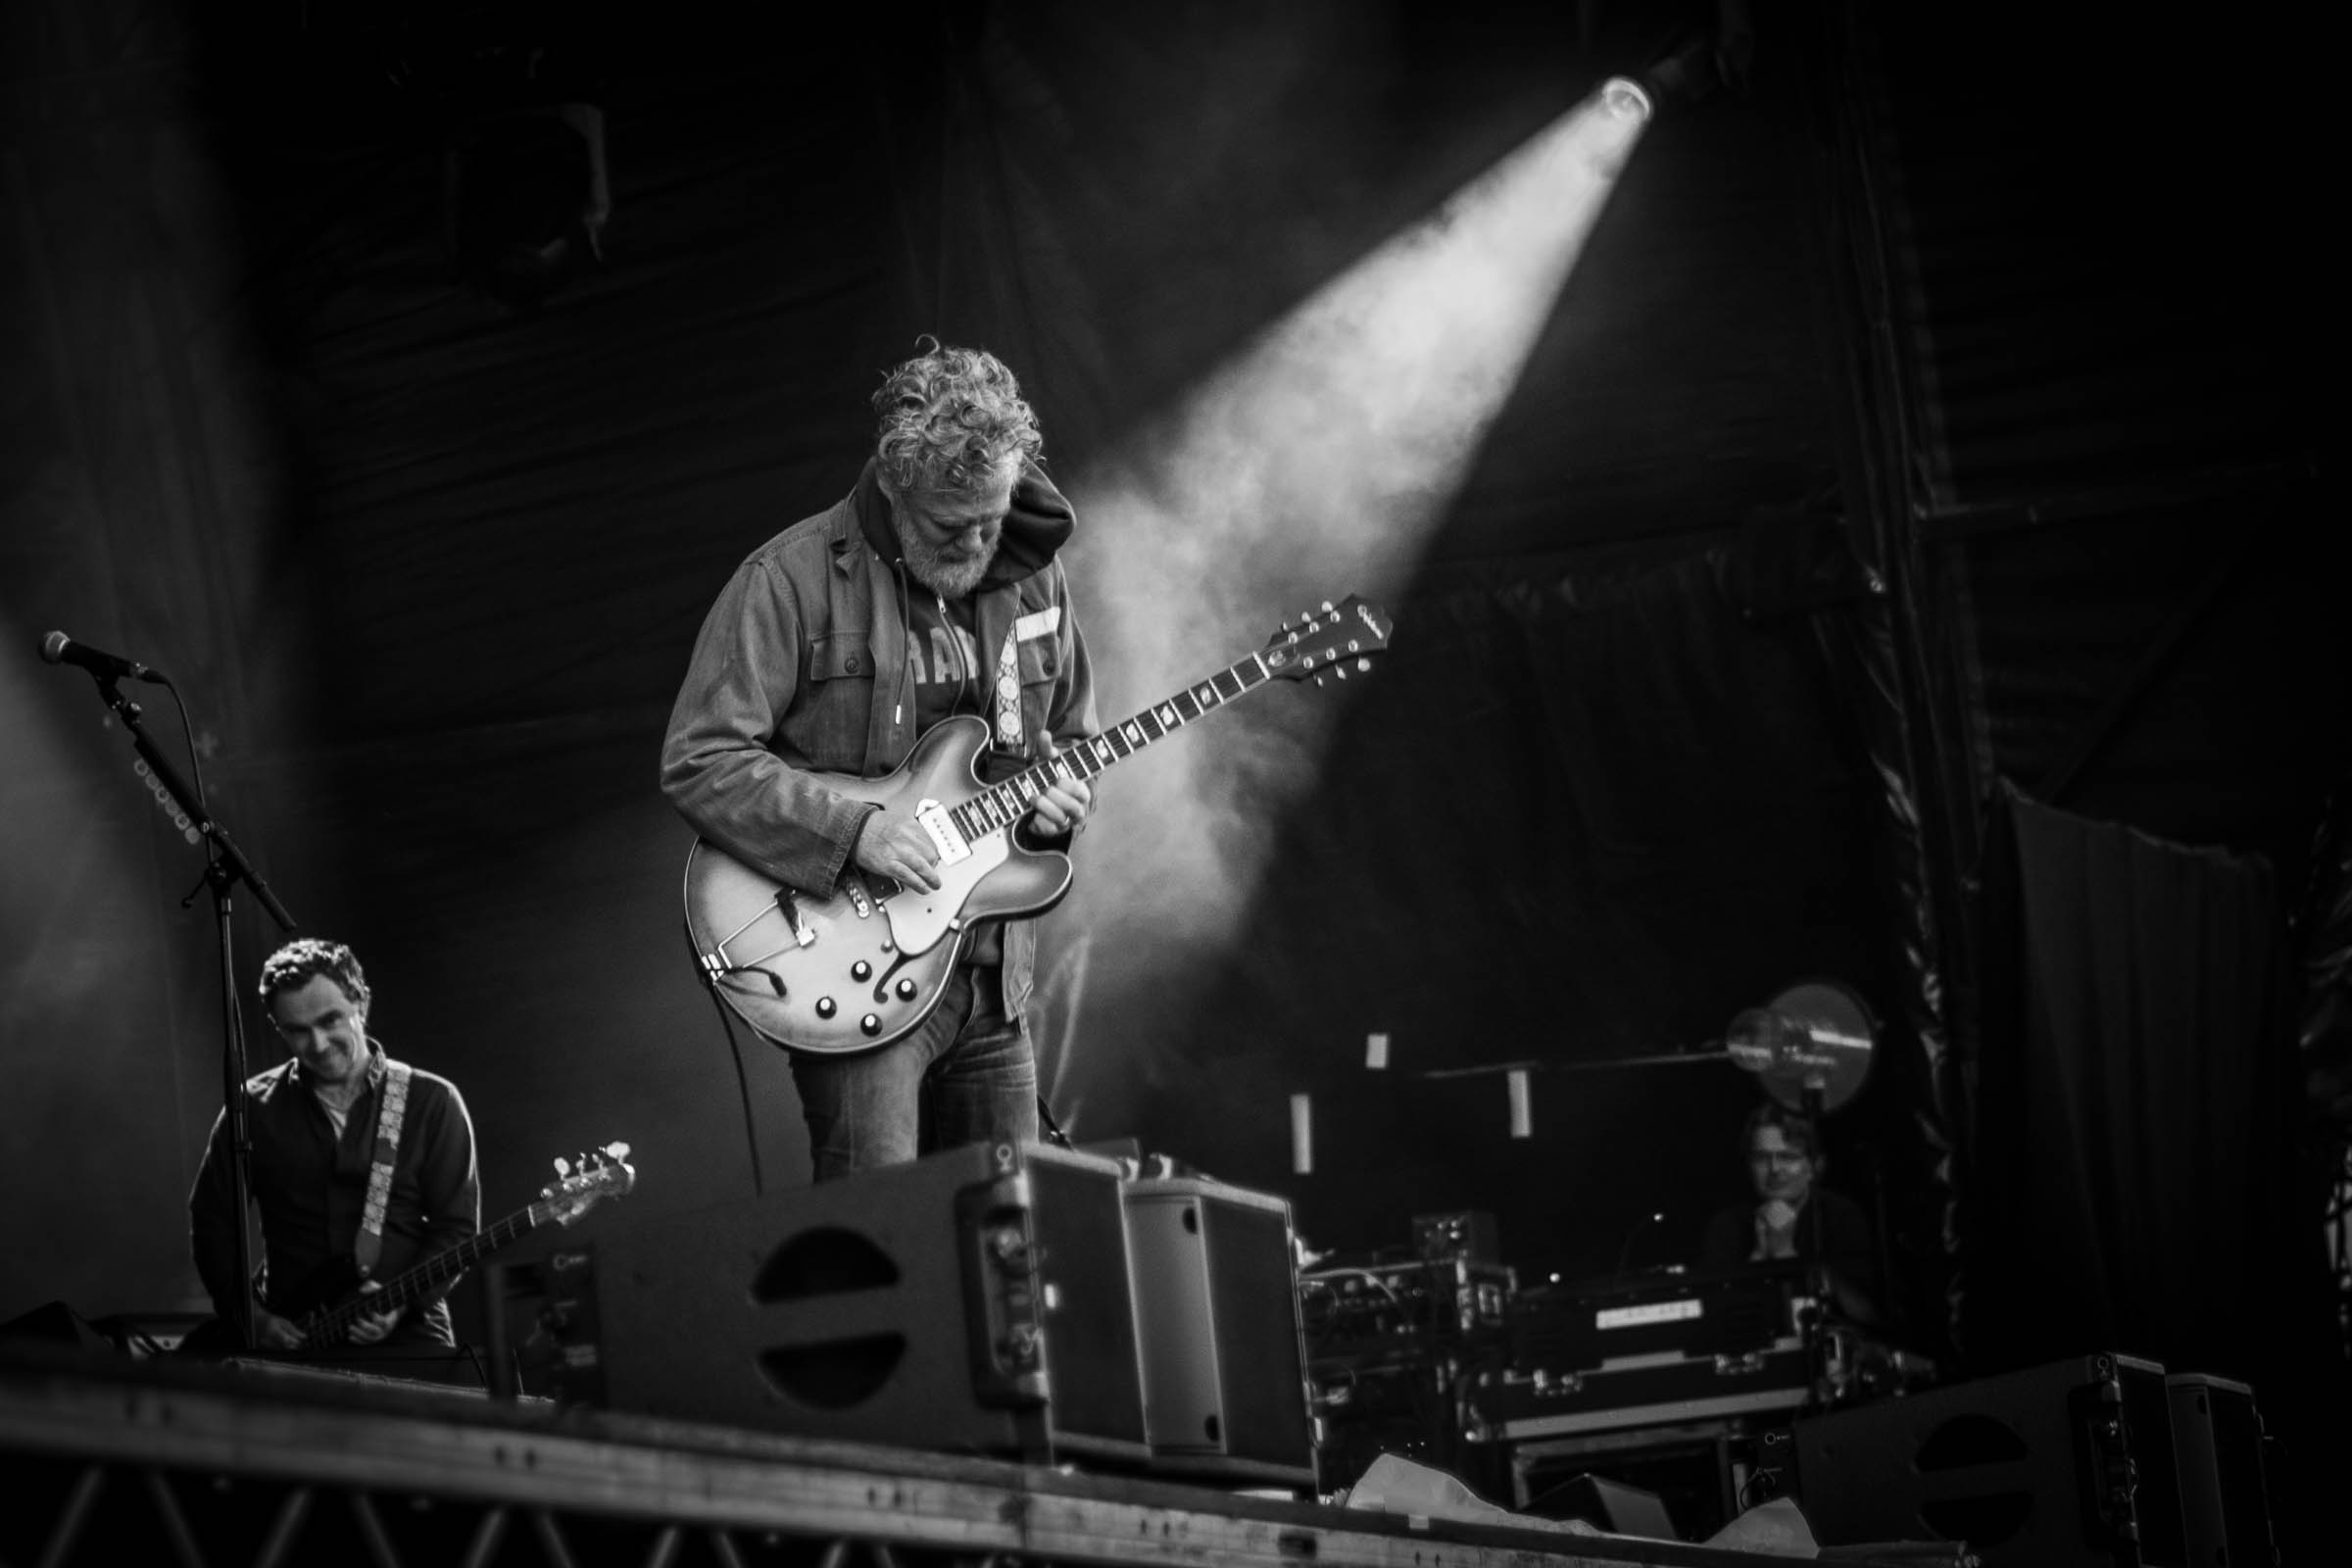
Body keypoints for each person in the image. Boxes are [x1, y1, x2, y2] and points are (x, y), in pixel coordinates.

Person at [662, 340, 1098, 1181]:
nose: (977, 544)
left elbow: (1072, 734)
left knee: (1006, 1251)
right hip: (853, 967)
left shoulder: (1036, 579)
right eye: (949, 525)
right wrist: (853, 830)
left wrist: (1061, 798)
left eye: (992, 518)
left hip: (993, 983)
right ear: (892, 484)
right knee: (883, 1239)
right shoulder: (788, 580)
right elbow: (699, 757)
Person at [187, 938, 481, 1351]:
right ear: (278, 1028)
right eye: (298, 1031)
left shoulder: (430, 1101)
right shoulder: (251, 1108)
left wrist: (402, 1303)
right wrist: (250, 1316)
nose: (318, 1044)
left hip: (409, 1335)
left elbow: (458, 1228)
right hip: (293, 1339)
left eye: (330, 1021)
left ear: (362, 1003)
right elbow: (212, 1221)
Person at [1697, 1101, 1880, 1324]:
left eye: (1787, 1157)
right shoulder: (1727, 1225)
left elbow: (1865, 1315)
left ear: (1815, 1167)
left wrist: (1784, 1254)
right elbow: (1717, 1317)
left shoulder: (1841, 1216)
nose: (1774, 1170)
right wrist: (1759, 1256)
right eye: (1761, 1158)